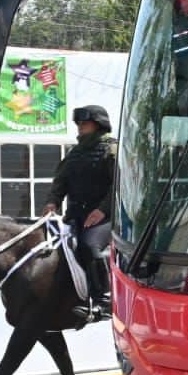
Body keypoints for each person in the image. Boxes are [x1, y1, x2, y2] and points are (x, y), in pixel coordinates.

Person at [43, 104, 117, 325]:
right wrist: (51, 202)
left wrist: (102, 211)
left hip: (105, 217)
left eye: (85, 123)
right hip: (75, 215)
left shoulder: (111, 150)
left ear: (98, 124)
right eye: (78, 124)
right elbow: (60, 182)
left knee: (88, 246)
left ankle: (104, 301)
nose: (80, 127)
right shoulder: (75, 153)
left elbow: (120, 187)